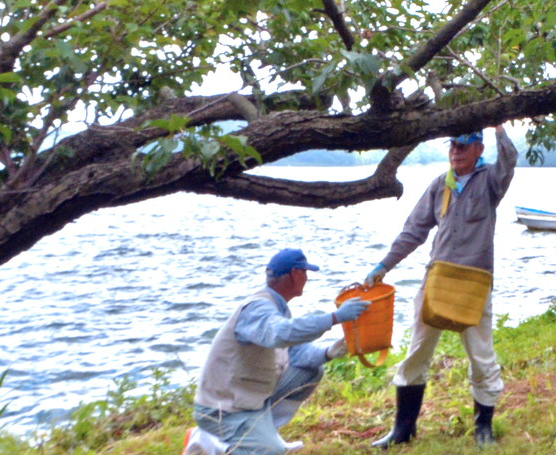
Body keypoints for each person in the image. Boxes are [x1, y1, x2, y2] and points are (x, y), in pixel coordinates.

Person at [364, 125, 516, 447]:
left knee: (482, 357)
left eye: (464, 145)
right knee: (416, 353)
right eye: (453, 146)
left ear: (478, 149)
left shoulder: (490, 181)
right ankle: (402, 430)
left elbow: (509, 160)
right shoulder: (439, 186)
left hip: (475, 284)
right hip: (436, 281)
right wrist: (383, 266)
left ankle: (483, 430)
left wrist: (500, 126)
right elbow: (413, 231)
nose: (456, 152)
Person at [186, 247, 369, 455]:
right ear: (295, 274)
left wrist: (329, 352)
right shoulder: (258, 308)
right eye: (305, 273)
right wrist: (334, 318)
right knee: (270, 452)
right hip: (222, 410)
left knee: (310, 371)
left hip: (249, 399)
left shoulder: (277, 307)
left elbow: (296, 354)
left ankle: (264, 432)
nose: (307, 278)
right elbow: (281, 333)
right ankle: (207, 441)